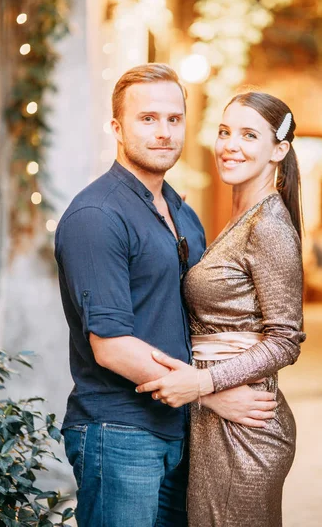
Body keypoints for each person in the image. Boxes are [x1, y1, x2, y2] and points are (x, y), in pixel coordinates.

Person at [54, 66, 279, 527]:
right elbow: (112, 346)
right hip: (118, 433)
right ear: (117, 128)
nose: (163, 133)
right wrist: (210, 393)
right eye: (148, 119)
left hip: (180, 431)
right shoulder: (97, 216)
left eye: (174, 119)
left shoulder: (182, 211)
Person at [137, 91, 306, 527]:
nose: (231, 145)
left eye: (250, 135)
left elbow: (286, 340)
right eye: (225, 131)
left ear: (279, 150)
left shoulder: (269, 225)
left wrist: (205, 383)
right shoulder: (240, 217)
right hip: (217, 415)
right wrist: (208, 393)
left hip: (246, 433)